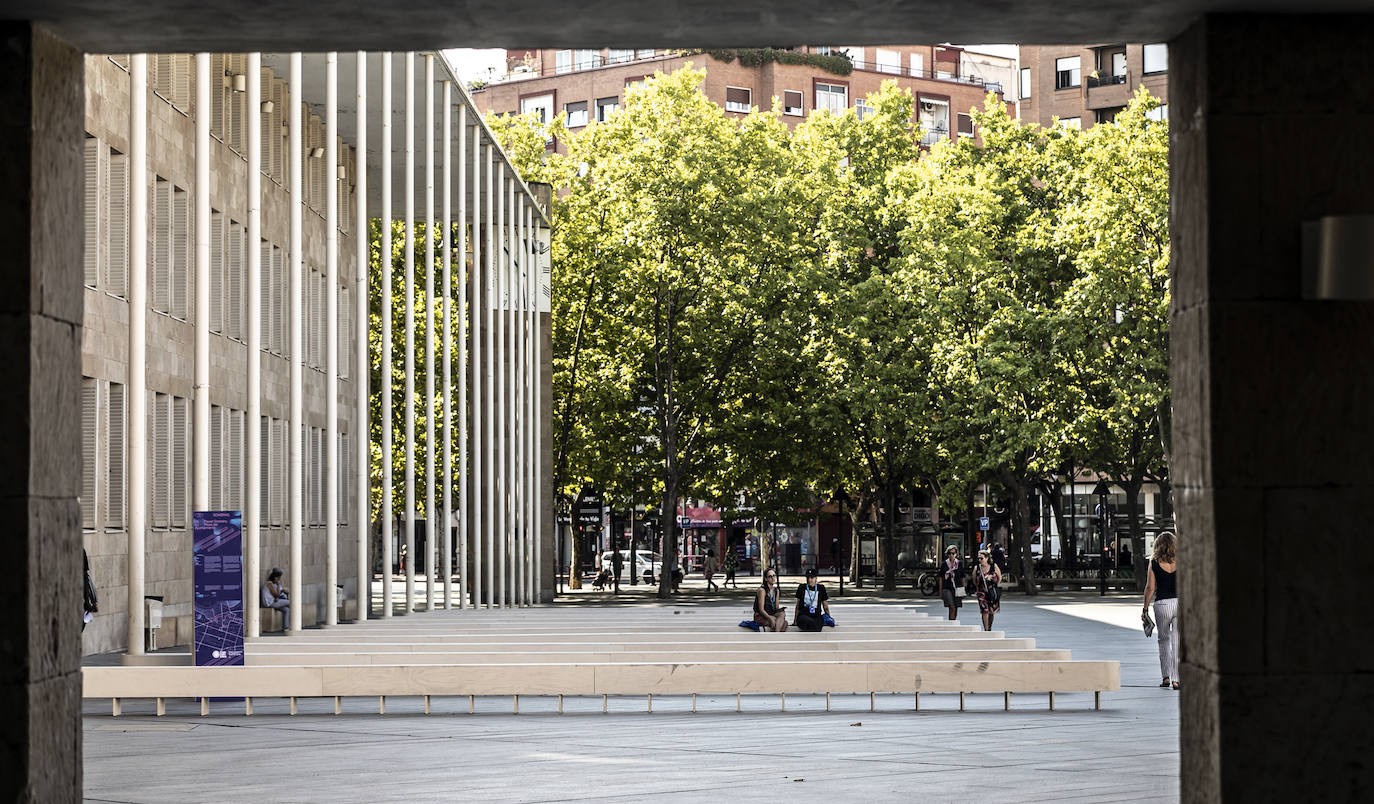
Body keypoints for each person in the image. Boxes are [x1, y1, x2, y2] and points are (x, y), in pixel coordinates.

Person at [1142, 532, 1179, 690]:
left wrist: (1145, 609)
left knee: (1163, 641)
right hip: (1180, 603)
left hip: (1162, 605)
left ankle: (1166, 677)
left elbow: (1150, 587)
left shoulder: (1154, 562)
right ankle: (1176, 680)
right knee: (1178, 642)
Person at [793, 567, 831, 632]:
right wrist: (795, 621)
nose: (809, 580)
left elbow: (825, 606)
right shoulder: (801, 587)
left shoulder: (821, 588)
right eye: (808, 578)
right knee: (805, 620)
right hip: (803, 615)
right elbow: (797, 606)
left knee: (817, 622)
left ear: (816, 578)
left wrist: (829, 618)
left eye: (812, 578)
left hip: (816, 615)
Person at [973, 549, 1002, 631]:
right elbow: (974, 580)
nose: (979, 560)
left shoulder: (993, 566)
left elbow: (999, 577)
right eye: (978, 558)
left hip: (992, 592)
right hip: (981, 592)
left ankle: (989, 627)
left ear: (987, 558)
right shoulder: (977, 568)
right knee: (984, 610)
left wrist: (994, 586)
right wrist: (979, 588)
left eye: (981, 558)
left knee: (991, 612)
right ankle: (986, 629)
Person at [753, 567, 787, 632]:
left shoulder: (776, 590)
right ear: (766, 579)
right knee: (782, 623)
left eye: (774, 576)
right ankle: (777, 634)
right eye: (770, 576)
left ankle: (776, 633)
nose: (773, 578)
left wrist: (781, 610)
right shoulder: (762, 590)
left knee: (782, 615)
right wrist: (770, 618)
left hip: (771, 614)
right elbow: (761, 610)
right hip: (761, 616)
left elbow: (776, 608)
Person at [938, 546, 966, 620]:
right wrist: (940, 591)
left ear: (956, 554)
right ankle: (951, 622)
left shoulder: (959, 564)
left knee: (956, 606)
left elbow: (962, 577)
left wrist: (963, 589)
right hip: (947, 587)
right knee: (951, 606)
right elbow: (941, 578)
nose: (951, 555)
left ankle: (953, 621)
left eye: (953, 553)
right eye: (949, 553)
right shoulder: (944, 564)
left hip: (957, 587)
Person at [261, 567, 290, 632]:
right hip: (269, 603)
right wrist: (279, 585)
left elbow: (279, 594)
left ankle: (286, 627)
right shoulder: (269, 584)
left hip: (273, 602)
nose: (279, 580)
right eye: (278, 578)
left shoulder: (273, 584)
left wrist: (281, 593)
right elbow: (276, 594)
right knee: (292, 603)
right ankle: (295, 624)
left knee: (286, 610)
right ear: (275, 577)